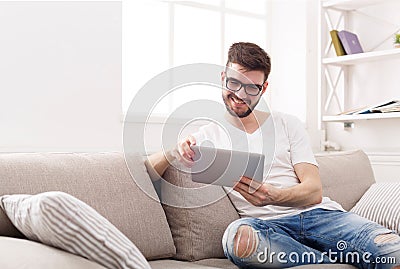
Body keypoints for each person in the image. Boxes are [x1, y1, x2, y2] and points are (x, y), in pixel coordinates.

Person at [147, 42, 400, 268]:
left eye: (252, 88)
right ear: (223, 78)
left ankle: (336, 254)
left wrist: (273, 196)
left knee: (392, 251)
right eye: (234, 83)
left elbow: (313, 190)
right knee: (237, 240)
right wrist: (174, 150)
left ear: (264, 88)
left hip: (321, 217)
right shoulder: (207, 136)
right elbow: (149, 170)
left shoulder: (287, 124)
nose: (240, 95)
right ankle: (328, 259)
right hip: (267, 229)